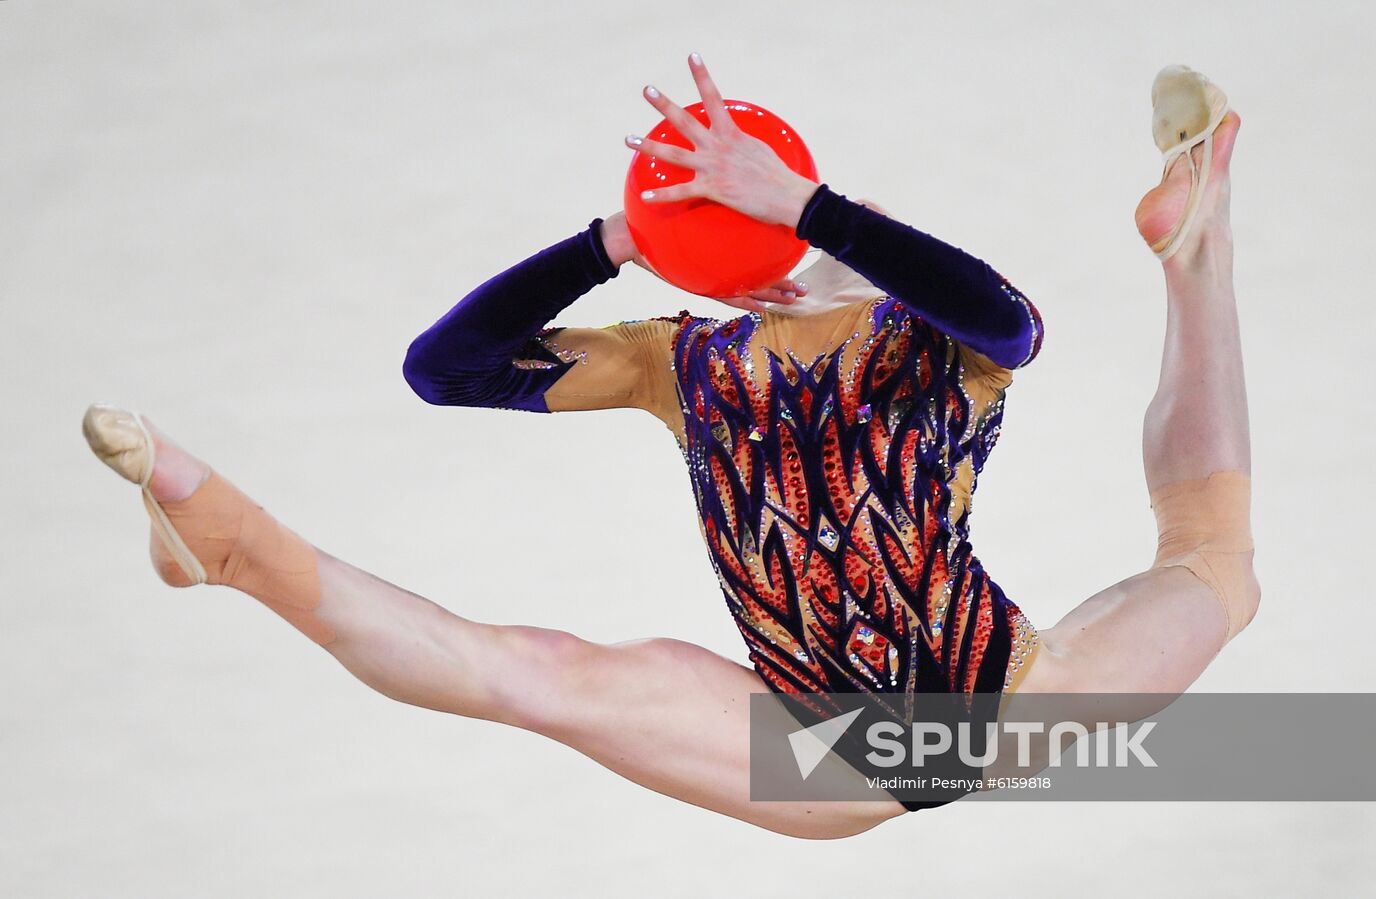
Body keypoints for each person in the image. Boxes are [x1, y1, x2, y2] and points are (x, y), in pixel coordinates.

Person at [82, 55, 1256, 838]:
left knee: (1213, 564)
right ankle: (230, 542)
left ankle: (1192, 239)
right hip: (825, 748)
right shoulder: (677, 354)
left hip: (995, 708)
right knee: (531, 673)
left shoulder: (935, 338)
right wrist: (614, 237)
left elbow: (1010, 320)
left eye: (836, 222)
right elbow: (445, 371)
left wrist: (809, 207)